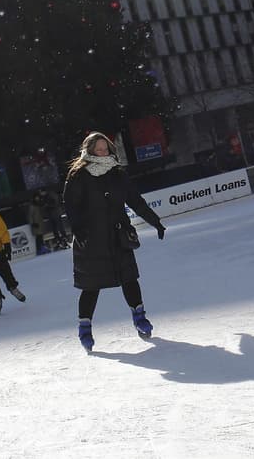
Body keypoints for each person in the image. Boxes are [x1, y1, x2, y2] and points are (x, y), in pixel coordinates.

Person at [63, 132, 167, 351]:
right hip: (91, 239)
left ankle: (140, 318)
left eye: (105, 149)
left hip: (118, 236)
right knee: (91, 286)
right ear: (89, 151)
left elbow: (135, 201)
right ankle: (84, 329)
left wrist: (155, 221)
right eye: (98, 149)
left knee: (129, 278)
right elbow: (71, 206)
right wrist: (79, 231)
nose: (103, 153)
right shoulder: (78, 175)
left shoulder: (117, 173)